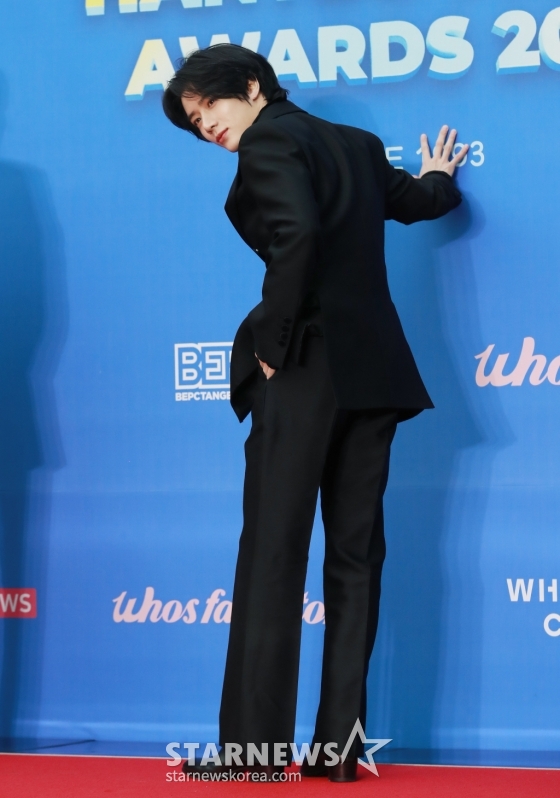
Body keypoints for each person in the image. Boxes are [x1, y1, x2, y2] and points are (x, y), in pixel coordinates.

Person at [163, 44, 468, 783]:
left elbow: (295, 235)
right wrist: (439, 178)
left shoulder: (269, 141)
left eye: (210, 107)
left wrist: (271, 345)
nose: (207, 127)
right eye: (195, 122)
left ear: (251, 85)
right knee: (355, 560)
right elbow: (416, 203)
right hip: (375, 374)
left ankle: (254, 755)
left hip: (306, 367)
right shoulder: (357, 145)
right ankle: (338, 753)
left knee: (273, 554)